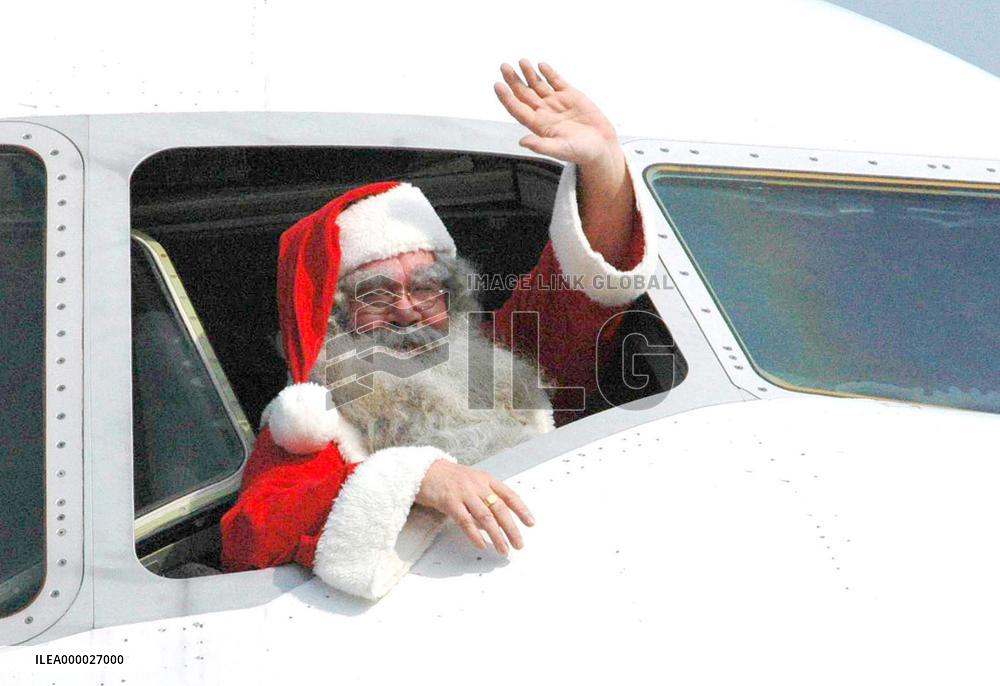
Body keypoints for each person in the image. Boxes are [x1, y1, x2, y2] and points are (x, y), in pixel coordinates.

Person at [220, 60, 658, 600]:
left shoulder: (503, 359)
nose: (406, 310)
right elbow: (252, 538)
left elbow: (582, 285)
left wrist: (604, 165)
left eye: (427, 288)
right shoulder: (313, 425)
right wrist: (418, 479)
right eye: (376, 294)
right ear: (335, 316)